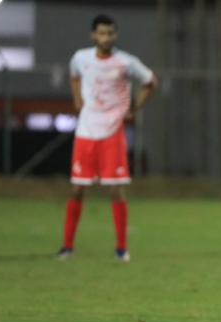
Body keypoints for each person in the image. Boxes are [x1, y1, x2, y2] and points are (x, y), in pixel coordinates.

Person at [58, 14, 157, 262]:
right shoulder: (81, 58)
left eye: (110, 33)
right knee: (77, 189)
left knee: (116, 190)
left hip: (113, 132)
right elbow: (73, 75)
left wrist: (134, 109)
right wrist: (77, 99)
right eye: (101, 33)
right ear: (93, 35)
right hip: (85, 132)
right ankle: (67, 247)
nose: (106, 37)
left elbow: (150, 81)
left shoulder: (126, 62)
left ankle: (121, 249)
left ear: (116, 35)